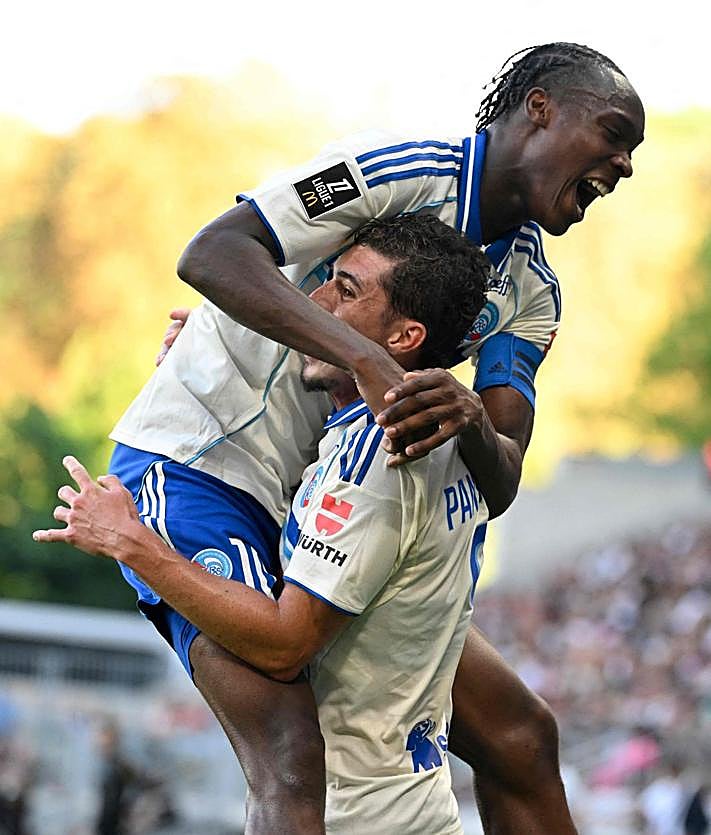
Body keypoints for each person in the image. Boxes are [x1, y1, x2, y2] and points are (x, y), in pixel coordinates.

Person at [41, 42, 644, 834]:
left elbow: (498, 480)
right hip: (200, 464)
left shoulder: (529, 294)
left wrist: (465, 416)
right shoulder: (397, 171)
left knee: (520, 734)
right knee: (293, 756)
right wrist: (358, 355)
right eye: (611, 135)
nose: (623, 165)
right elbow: (214, 251)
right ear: (539, 109)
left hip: (322, 502)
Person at [36, 214, 491, 833]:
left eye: (346, 291)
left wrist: (131, 540)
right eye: (326, 279)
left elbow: (284, 646)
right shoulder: (442, 444)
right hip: (413, 806)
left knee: (284, 763)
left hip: (357, 816)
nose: (314, 300)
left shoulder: (375, 458)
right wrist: (220, 352)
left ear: (407, 335)